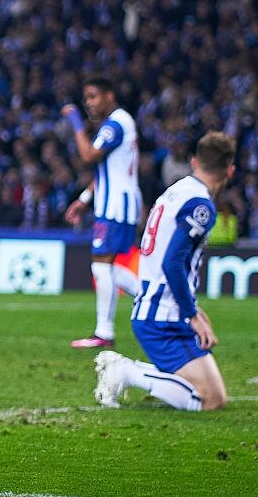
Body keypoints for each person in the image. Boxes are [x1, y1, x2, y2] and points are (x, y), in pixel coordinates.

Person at [93, 132, 235, 411]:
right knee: (211, 400)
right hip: (164, 317)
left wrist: (192, 308)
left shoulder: (177, 190)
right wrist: (191, 314)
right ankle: (125, 372)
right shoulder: (200, 206)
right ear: (230, 170)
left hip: (158, 310)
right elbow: (173, 262)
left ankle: (134, 372)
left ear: (194, 161)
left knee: (214, 393)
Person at [62, 77, 142, 348]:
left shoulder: (115, 123)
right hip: (116, 203)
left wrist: (74, 123)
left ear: (110, 95)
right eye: (86, 99)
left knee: (101, 264)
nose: (88, 104)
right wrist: (84, 199)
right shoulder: (121, 122)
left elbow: (88, 156)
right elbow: (106, 171)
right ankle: (153, 298)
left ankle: (104, 333)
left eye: (93, 96)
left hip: (115, 206)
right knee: (106, 266)